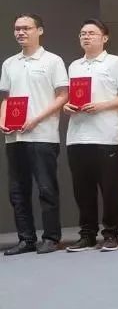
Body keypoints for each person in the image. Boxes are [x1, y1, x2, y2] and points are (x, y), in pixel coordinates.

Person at [0, 14, 68, 255]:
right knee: (17, 191)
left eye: (26, 28)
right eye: (17, 28)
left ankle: (51, 237)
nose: (21, 32)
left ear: (39, 30)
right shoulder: (9, 63)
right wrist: (3, 120)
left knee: (46, 189)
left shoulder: (53, 61)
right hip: (14, 137)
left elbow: (63, 96)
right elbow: (6, 99)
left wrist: (36, 119)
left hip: (42, 135)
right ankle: (26, 239)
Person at [63, 19, 118, 252]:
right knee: (82, 190)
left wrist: (102, 106)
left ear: (105, 37)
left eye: (91, 33)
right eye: (83, 33)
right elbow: (71, 96)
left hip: (106, 136)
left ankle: (111, 234)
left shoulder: (115, 63)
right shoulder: (74, 66)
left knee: (110, 189)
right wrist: (67, 106)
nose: (86, 37)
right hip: (77, 136)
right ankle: (87, 234)